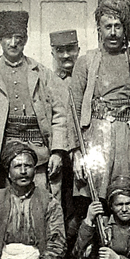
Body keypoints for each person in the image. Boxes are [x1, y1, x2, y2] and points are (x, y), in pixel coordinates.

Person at [69, 0, 130, 228]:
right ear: (99, 29)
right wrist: (77, 153)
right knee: (93, 200)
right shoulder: (87, 62)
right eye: (107, 26)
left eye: (118, 26)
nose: (112, 32)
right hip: (96, 142)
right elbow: (74, 109)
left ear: (126, 28)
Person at [0, 11, 68, 208]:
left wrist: (57, 151)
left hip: (38, 152)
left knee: (41, 206)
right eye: (8, 38)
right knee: (1, 208)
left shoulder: (42, 73)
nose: (13, 43)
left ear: (26, 40)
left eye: (18, 38)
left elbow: (59, 115)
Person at [49, 29, 79, 224]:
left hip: (83, 153)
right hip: (59, 155)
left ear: (78, 49)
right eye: (60, 50)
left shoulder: (86, 77)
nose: (66, 55)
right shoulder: (48, 81)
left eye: (70, 49)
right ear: (53, 53)